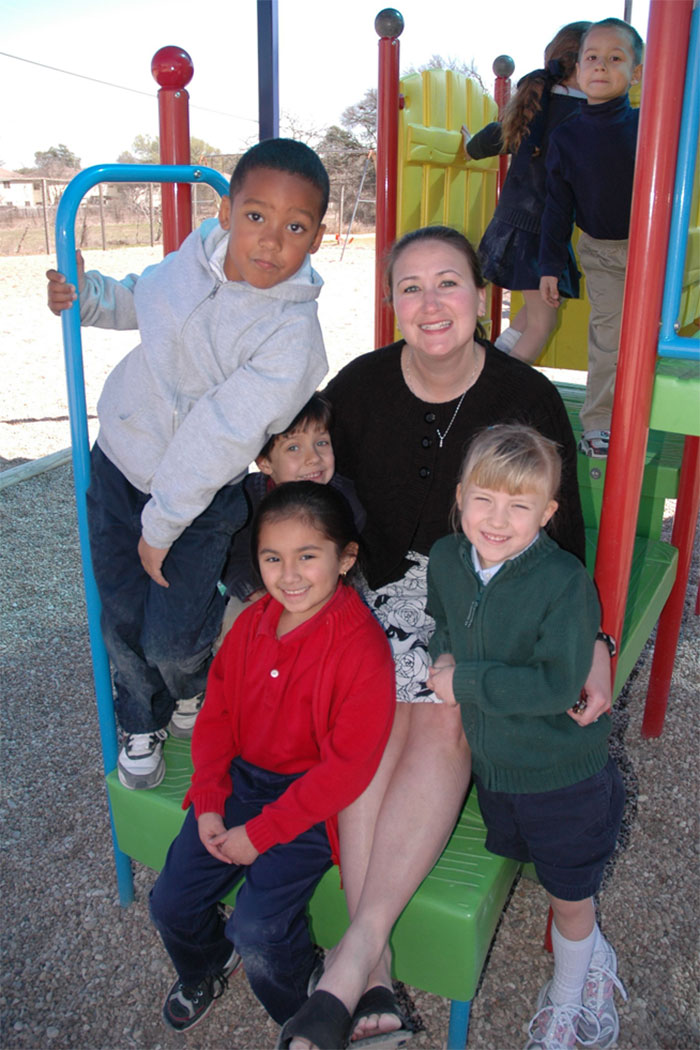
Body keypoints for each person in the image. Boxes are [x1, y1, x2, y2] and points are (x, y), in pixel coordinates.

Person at [278, 225, 614, 1050]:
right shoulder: (355, 390)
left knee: (443, 711)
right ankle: (375, 963)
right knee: (367, 722)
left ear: (478, 295)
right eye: (412, 287)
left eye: (449, 283)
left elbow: (560, 530)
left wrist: (595, 635)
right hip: (379, 593)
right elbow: (301, 480)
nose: (432, 304)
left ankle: (357, 954)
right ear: (392, 302)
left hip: (481, 594)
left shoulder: (523, 397)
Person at [46, 138, 330, 788]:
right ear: (227, 211)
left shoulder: (293, 339)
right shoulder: (191, 260)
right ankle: (139, 718)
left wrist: (164, 522)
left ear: (316, 239)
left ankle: (189, 684)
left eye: (294, 227)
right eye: (256, 216)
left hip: (199, 500)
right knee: (119, 611)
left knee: (171, 641)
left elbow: (219, 434)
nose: (269, 241)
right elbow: (143, 302)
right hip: (120, 464)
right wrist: (85, 297)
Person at [149, 482, 396, 1035]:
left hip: (309, 806)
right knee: (169, 902)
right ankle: (206, 965)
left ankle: (305, 1010)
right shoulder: (250, 625)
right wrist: (210, 801)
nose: (289, 575)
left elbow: (346, 772)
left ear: (345, 558)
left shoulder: (361, 649)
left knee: (258, 931)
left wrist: (261, 834)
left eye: (308, 557)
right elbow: (216, 719)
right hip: (239, 784)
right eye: (272, 558)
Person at [426, 423, 626, 1050]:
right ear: (460, 496)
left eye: (520, 506)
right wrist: (441, 658)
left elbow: (552, 684)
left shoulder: (563, 582)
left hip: (564, 778)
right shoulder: (446, 558)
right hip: (498, 772)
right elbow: (444, 624)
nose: (497, 519)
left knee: (570, 896)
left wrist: (465, 683)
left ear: (548, 512)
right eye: (484, 498)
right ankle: (593, 957)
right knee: (542, 872)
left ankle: (567, 999)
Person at [539, 18, 644, 457]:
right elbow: (557, 206)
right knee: (608, 335)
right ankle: (599, 422)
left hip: (651, 247)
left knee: (648, 334)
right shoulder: (566, 136)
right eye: (592, 58)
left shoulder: (646, 126)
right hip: (601, 251)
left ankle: (641, 407)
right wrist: (549, 266)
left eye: (615, 58)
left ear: (636, 72)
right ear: (579, 69)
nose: (601, 66)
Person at [464, 22, 590, 363]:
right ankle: (503, 391)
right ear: (582, 65)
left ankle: (495, 366)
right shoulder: (580, 113)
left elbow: (488, 139)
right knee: (543, 320)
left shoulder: (537, 103)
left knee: (535, 312)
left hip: (519, 223)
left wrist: (467, 145)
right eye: (597, 59)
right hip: (537, 230)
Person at [217, 392, 365, 646]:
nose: (313, 458)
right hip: (261, 587)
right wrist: (254, 590)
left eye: (322, 443)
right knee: (236, 627)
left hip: (324, 587)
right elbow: (234, 556)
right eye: (293, 447)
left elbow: (348, 558)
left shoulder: (346, 500)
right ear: (264, 463)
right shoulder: (247, 500)